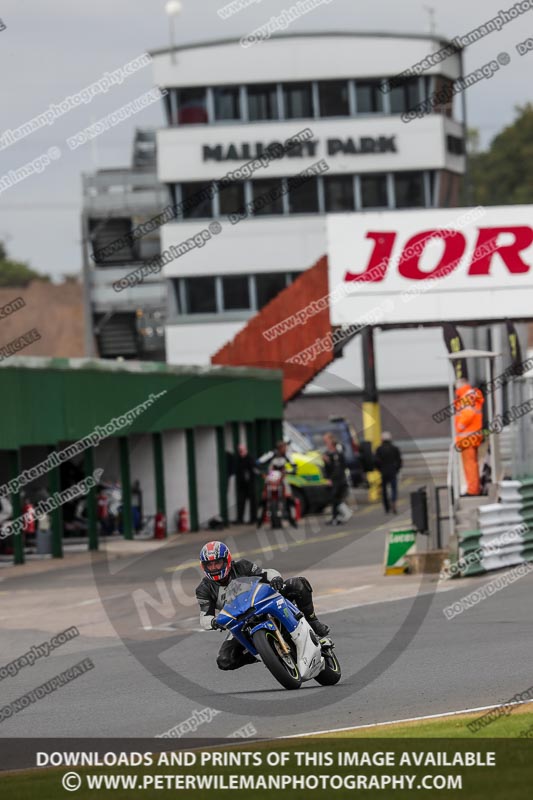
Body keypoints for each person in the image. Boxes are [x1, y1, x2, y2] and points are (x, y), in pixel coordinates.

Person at [196, 541, 330, 671]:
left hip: (263, 602)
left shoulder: (242, 566)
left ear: (227, 561)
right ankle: (265, 654)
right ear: (204, 566)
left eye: (218, 563)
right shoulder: (204, 588)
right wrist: (213, 622)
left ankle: (313, 622)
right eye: (210, 565)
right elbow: (204, 616)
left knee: (298, 584)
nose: (214, 568)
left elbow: (266, 573)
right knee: (225, 660)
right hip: (239, 621)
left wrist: (275, 579)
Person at [256, 440, 297, 528]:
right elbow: (259, 462)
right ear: (280, 448)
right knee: (264, 497)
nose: (285, 449)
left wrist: (292, 470)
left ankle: (292, 519)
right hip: (272, 477)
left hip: (282, 477)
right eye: (284, 448)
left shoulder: (287, 456)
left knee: (289, 495)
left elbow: (294, 464)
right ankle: (260, 519)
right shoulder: (271, 454)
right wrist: (262, 472)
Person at [454, 378, 484, 496]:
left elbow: (468, 413)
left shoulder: (466, 396)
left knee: (470, 465)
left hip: (467, 437)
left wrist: (459, 427)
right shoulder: (471, 394)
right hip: (472, 436)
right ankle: (474, 488)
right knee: (471, 464)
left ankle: (473, 490)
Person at [322, 433, 349, 525]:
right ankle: (336, 517)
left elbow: (338, 466)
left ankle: (341, 514)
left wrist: (331, 478)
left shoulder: (337, 450)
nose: (325, 442)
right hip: (333, 478)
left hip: (338, 478)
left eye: (326, 440)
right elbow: (327, 467)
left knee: (335, 497)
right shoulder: (327, 452)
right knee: (333, 498)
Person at [374, 432, 402, 514]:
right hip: (393, 471)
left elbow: (376, 461)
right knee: (394, 489)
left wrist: (380, 469)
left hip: (383, 471)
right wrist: (397, 469)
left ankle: (386, 507)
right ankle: (393, 502)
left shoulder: (379, 449)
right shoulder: (394, 448)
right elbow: (399, 461)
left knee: (384, 490)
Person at [234, 444, 256, 525]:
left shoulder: (250, 458)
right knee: (241, 502)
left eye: (242, 450)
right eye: (239, 450)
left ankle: (253, 519)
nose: (241, 452)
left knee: (252, 502)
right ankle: (240, 519)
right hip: (241, 484)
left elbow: (253, 470)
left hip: (250, 484)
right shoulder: (238, 459)